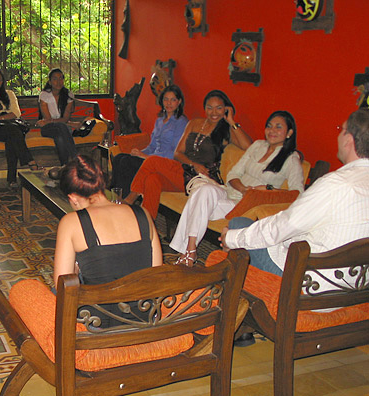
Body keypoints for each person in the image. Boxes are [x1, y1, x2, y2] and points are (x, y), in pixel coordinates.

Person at [221, 108, 369, 289]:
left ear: (349, 139)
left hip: (312, 285)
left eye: (342, 130)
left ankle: (232, 295)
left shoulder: (336, 184)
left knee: (238, 225)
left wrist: (232, 239)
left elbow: (286, 224)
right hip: (357, 287)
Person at [171, 111, 304, 266]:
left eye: (278, 127)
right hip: (229, 193)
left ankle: (187, 253)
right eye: (269, 126)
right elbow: (234, 173)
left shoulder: (291, 158)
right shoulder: (257, 146)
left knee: (198, 200)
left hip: (244, 206)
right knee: (204, 190)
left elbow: (297, 193)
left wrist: (267, 189)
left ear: (289, 133)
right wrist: (243, 189)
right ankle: (190, 250)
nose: (272, 131)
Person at [53, 155, 162, 327]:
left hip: (97, 325)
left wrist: (75, 269)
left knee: (55, 289)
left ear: (73, 198)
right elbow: (156, 275)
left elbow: (63, 288)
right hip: (143, 318)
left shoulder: (71, 222)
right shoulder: (143, 214)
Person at [125, 89, 253, 219]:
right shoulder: (194, 123)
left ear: (226, 109)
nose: (214, 112)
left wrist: (231, 121)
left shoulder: (227, 131)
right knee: (153, 179)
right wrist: (193, 164)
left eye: (219, 108)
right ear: (205, 108)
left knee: (152, 161)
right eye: (209, 108)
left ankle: (130, 199)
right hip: (183, 171)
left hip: (201, 178)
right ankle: (146, 225)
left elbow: (249, 147)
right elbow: (178, 153)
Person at [111, 84, 188, 198]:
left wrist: (146, 157)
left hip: (164, 163)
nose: (169, 103)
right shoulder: (159, 120)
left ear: (179, 102)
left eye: (173, 100)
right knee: (119, 158)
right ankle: (114, 195)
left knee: (126, 162)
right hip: (150, 158)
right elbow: (152, 146)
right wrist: (139, 152)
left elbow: (174, 152)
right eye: (166, 99)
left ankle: (124, 202)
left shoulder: (181, 122)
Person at [0, 68, 39, 188]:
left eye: (0, 80)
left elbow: (16, 113)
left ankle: (12, 180)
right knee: (14, 133)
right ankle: (30, 161)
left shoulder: (9, 94)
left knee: (12, 138)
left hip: (12, 127)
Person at [35, 68, 80, 165]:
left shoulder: (68, 95)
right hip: (47, 129)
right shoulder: (44, 95)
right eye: (55, 79)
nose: (58, 82)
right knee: (62, 126)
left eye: (60, 78)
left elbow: (65, 118)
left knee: (59, 138)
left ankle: (65, 166)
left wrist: (63, 122)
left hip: (62, 128)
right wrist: (67, 123)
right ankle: (75, 158)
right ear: (50, 82)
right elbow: (47, 119)